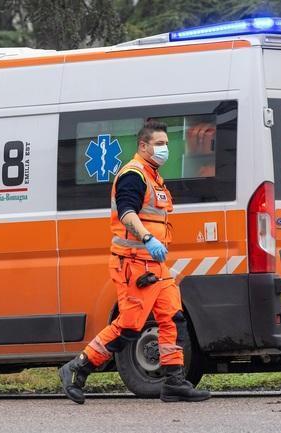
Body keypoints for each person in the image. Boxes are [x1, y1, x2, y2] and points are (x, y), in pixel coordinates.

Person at [58, 120, 211, 404]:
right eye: (159, 144)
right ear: (143, 145)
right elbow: (127, 212)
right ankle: (78, 367)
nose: (165, 149)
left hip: (155, 265)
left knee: (173, 318)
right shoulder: (133, 174)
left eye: (166, 144)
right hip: (134, 263)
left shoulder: (154, 177)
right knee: (130, 325)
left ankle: (174, 381)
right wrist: (147, 238)